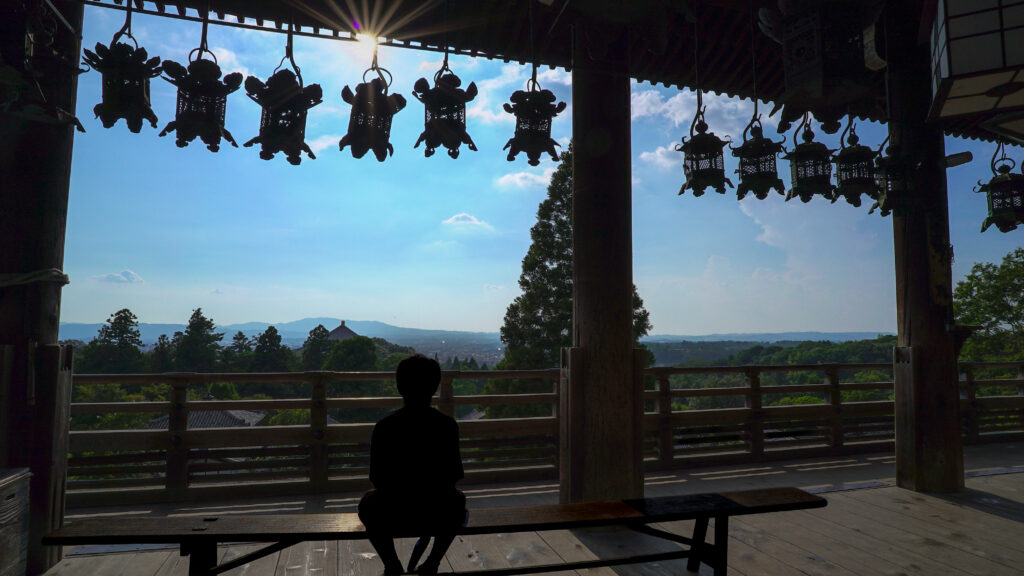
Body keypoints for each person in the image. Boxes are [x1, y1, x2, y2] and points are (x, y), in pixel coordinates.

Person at [358, 354, 466, 575]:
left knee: (368, 502)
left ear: (399, 387)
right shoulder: (447, 426)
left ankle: (392, 563)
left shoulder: (385, 426)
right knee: (457, 500)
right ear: (434, 387)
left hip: (394, 508)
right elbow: (455, 474)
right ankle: (433, 561)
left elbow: (377, 479)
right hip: (436, 509)